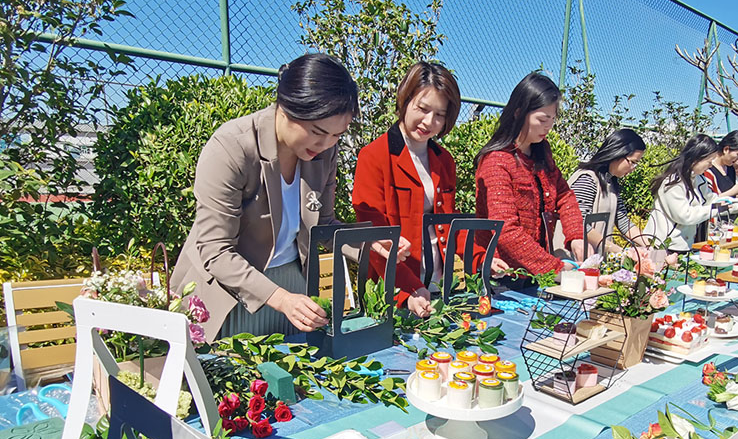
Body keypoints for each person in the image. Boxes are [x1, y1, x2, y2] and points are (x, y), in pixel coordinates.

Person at [171, 53, 409, 341]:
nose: (326, 144)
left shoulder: (324, 152)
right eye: (317, 131)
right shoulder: (232, 148)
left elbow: (324, 225)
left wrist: (368, 242)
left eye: (337, 135)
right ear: (285, 108)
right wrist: (281, 299)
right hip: (228, 296)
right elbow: (215, 251)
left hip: (292, 288)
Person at [353, 62, 507, 318]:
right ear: (405, 100)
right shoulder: (374, 156)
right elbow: (375, 237)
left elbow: (450, 224)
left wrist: (482, 259)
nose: (429, 122)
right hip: (392, 292)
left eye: (439, 115)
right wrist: (408, 290)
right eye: (422, 109)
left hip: (437, 286)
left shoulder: (444, 160)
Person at [474, 72, 585, 275]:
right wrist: (554, 268)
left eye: (552, 119)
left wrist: (576, 235)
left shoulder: (542, 153)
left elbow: (564, 195)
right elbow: (505, 230)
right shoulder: (497, 161)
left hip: (536, 273)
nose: (548, 126)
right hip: (503, 275)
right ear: (519, 112)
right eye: (542, 119)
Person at [554, 129, 647, 254]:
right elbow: (578, 223)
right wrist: (619, 251)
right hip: (572, 258)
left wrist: (649, 246)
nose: (633, 168)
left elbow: (623, 222)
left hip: (592, 258)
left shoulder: (611, 183)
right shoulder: (587, 179)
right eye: (632, 162)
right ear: (617, 153)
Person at [643, 134, 723, 252]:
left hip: (685, 245)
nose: (711, 165)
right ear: (696, 158)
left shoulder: (699, 179)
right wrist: (716, 209)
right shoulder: (672, 182)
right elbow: (685, 216)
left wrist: (735, 204)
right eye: (709, 161)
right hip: (662, 246)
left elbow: (711, 199)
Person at [701, 130, 738, 198]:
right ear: (726, 149)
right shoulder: (707, 169)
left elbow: (730, 197)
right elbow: (708, 200)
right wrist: (733, 191)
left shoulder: (730, 169)